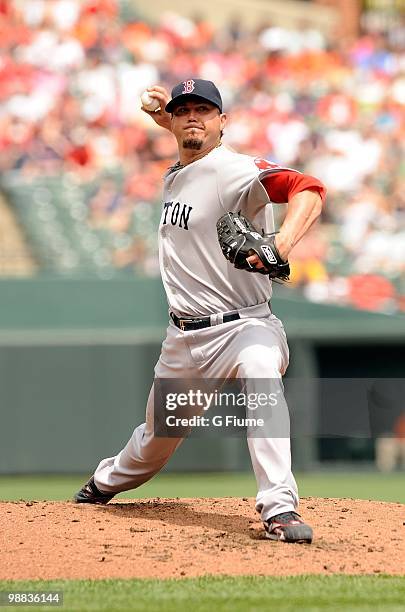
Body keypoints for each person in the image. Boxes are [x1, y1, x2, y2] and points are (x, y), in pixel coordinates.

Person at [74, 79, 326, 543]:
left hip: (245, 325)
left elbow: (307, 187)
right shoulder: (179, 169)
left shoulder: (233, 169)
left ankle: (280, 508)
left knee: (261, 377)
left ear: (223, 121)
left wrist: (281, 244)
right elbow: (187, 136)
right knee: (154, 443)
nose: (193, 116)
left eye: (204, 109)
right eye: (183, 109)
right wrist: (160, 116)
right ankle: (104, 482)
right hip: (185, 340)